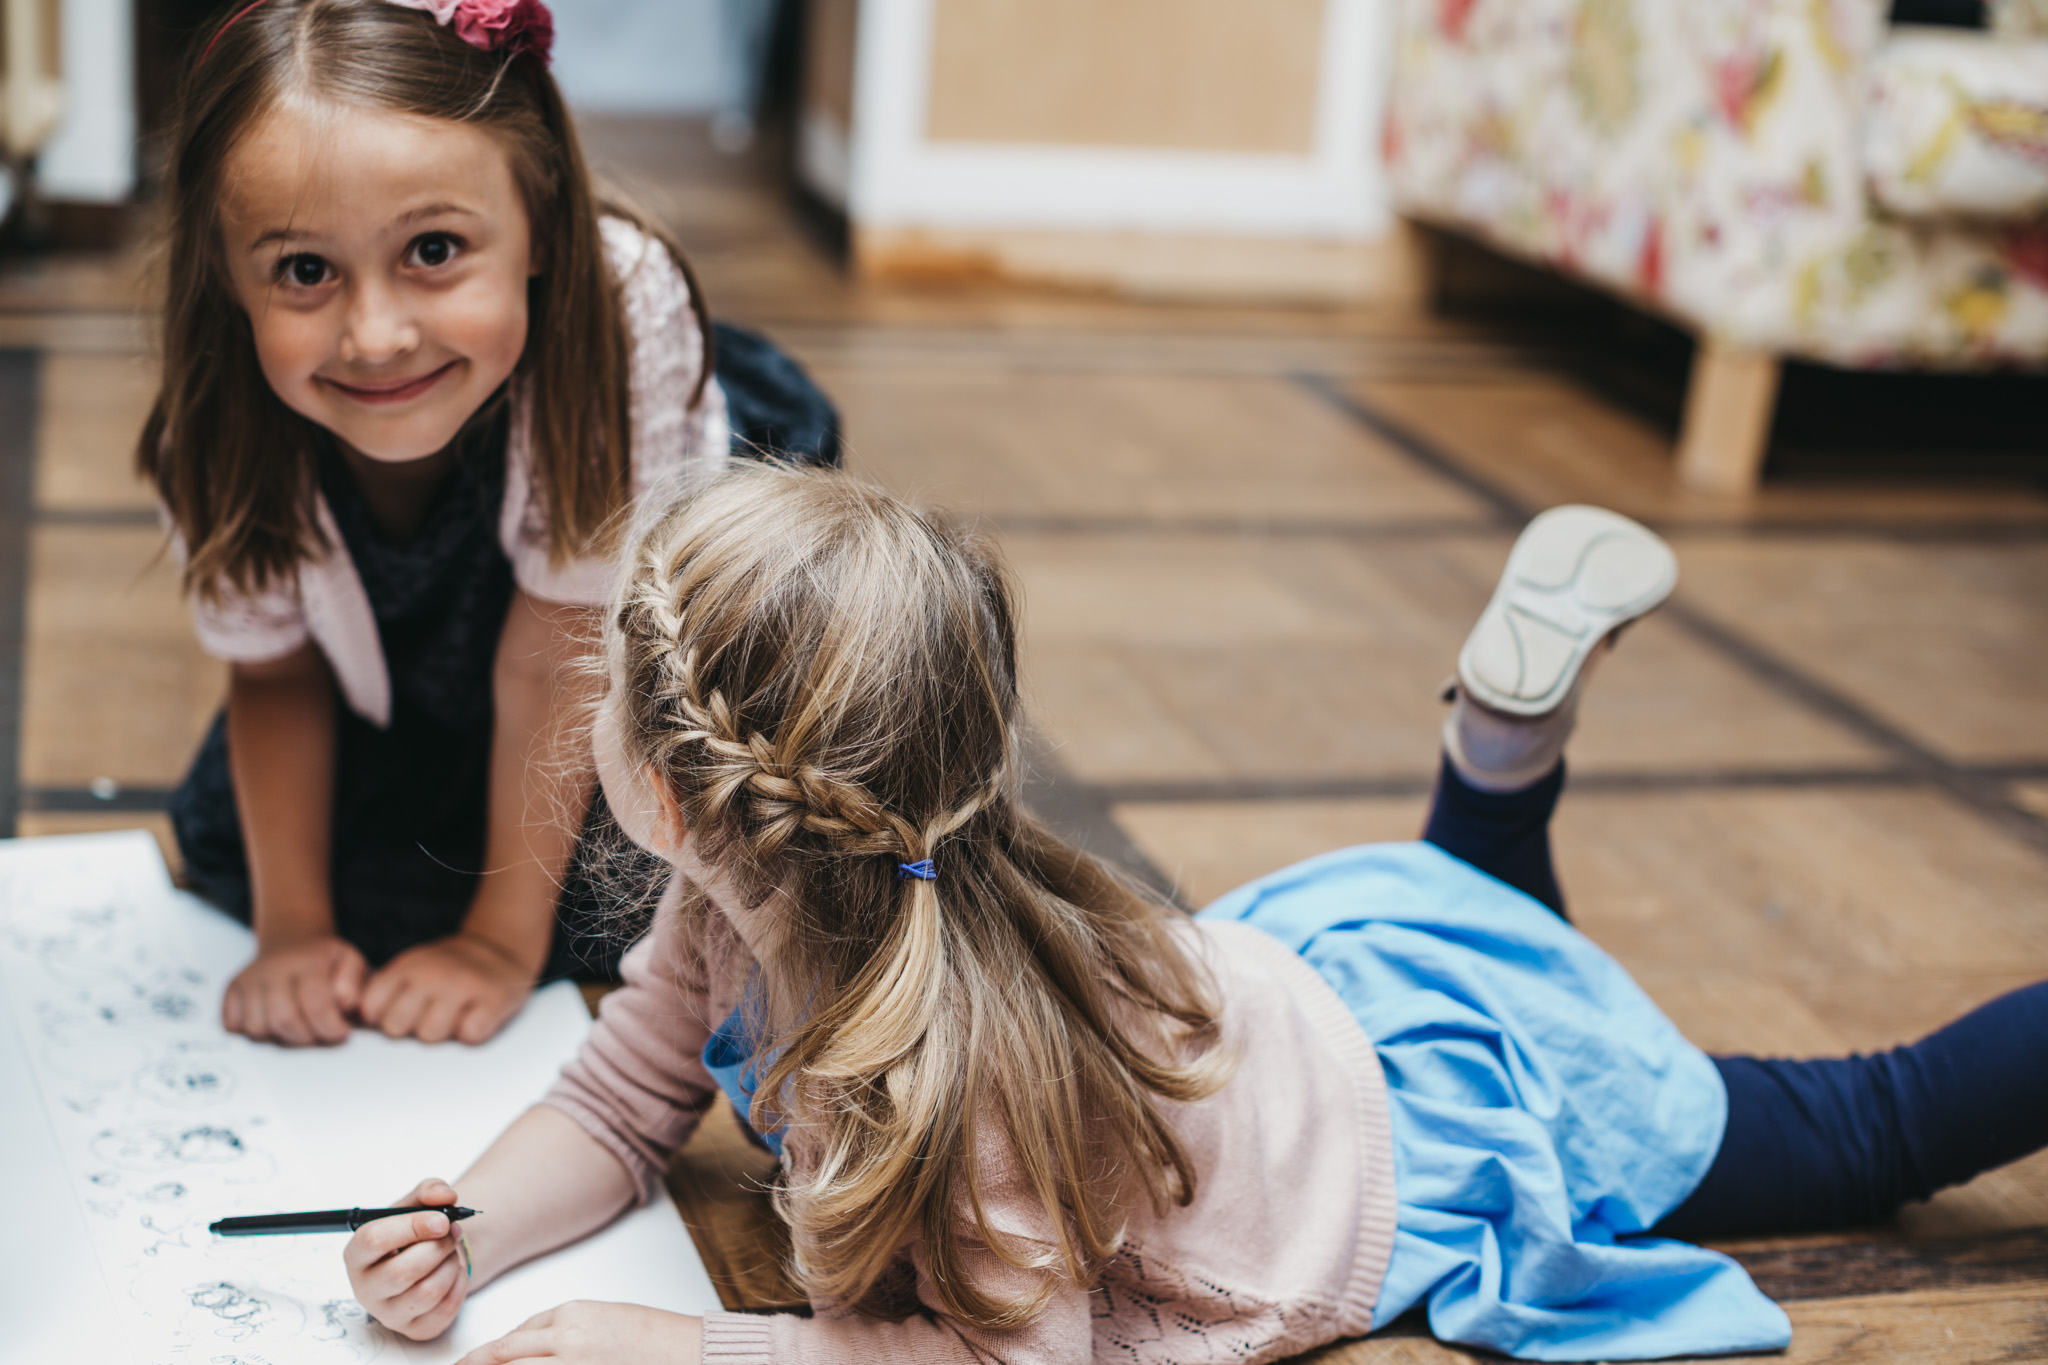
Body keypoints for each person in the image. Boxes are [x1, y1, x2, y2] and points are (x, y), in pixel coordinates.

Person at [342, 467, 2048, 1362]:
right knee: (1486, 916)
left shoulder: (967, 1074)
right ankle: (1498, 750)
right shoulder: (743, 897)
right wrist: (470, 1224)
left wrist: (698, 1351)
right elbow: (616, 1102)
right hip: (1309, 991)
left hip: (1402, 1120)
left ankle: (1500, 754)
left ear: (680, 793)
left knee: (1866, 1126)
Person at [140, 0, 837, 1052]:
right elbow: (277, 675)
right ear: (226, 280)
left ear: (544, 223)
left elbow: (558, 664)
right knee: (261, 852)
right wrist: (291, 929)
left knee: (647, 883)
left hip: (608, 637)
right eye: (303, 271)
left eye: (432, 248)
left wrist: (497, 944)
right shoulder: (216, 399)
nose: (374, 335)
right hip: (427, 646)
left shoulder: (624, 312)